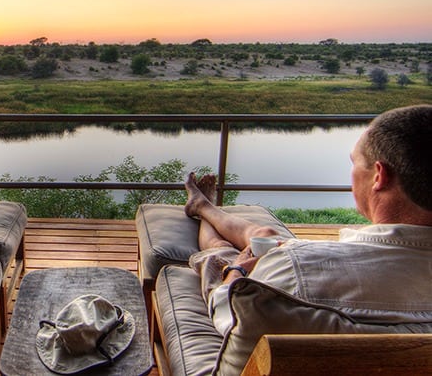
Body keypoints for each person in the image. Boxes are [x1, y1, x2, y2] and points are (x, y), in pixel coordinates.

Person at [183, 104, 432, 335]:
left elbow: (229, 313)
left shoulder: (296, 268)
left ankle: (204, 209)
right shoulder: (297, 259)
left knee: (221, 253)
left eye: (354, 162)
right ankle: (205, 206)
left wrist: (236, 271)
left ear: (379, 176)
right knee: (266, 237)